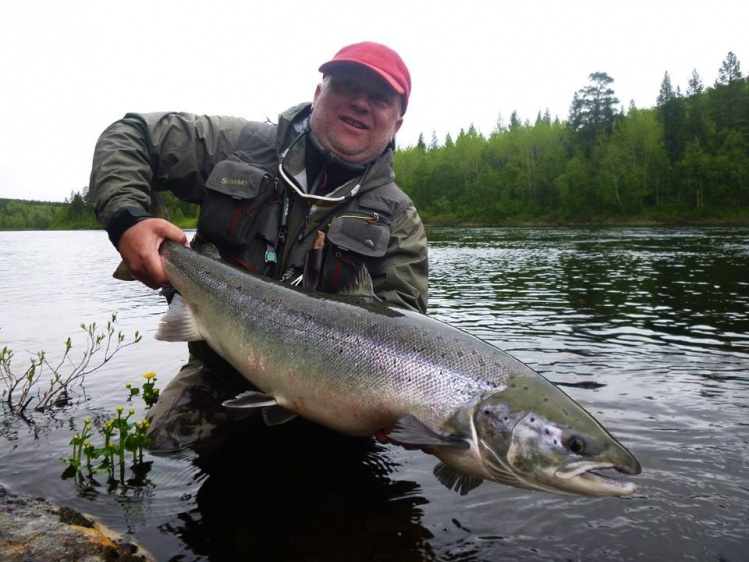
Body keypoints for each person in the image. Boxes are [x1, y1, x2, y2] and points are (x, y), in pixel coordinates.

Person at [89, 41, 428, 452]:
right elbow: (131, 135)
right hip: (220, 371)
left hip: (336, 399)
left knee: (343, 501)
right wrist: (128, 221)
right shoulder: (240, 146)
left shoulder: (398, 218)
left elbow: (403, 328)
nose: (360, 103)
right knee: (163, 451)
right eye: (348, 86)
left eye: (379, 98)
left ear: (397, 123)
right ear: (319, 94)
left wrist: (406, 409)